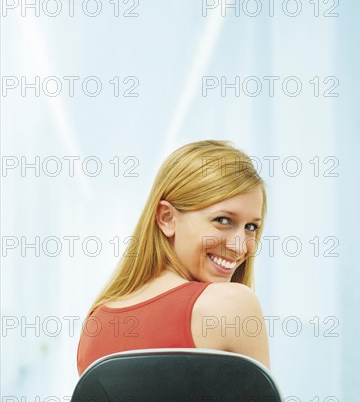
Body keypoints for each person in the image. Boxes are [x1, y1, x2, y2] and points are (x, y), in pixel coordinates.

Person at [77, 140, 271, 376]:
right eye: (223, 220)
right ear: (167, 218)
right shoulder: (232, 304)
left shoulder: (96, 323)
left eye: (251, 227)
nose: (240, 246)